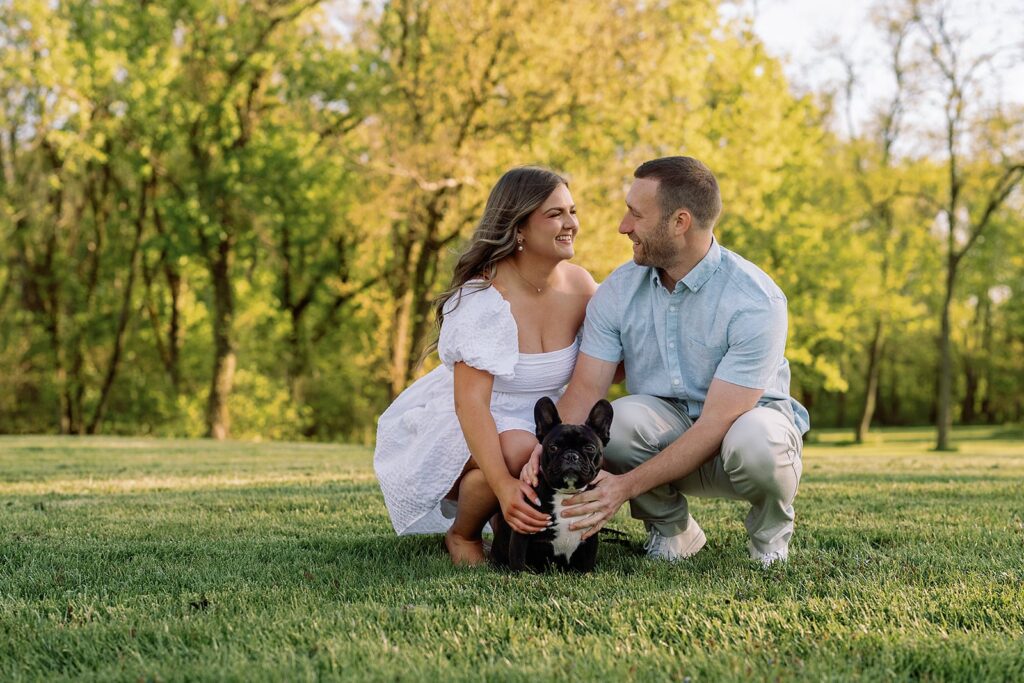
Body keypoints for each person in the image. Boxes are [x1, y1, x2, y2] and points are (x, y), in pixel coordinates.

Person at [522, 156, 809, 567]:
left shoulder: (756, 300)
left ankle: (769, 539)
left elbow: (717, 423)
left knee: (758, 441)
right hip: (667, 430)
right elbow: (586, 389)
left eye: (635, 214)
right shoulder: (619, 289)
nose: (623, 226)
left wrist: (623, 487)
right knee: (614, 424)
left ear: (680, 221)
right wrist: (541, 449)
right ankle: (674, 532)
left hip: (741, 435)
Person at [374, 166, 598, 566]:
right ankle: (464, 534)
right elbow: (471, 405)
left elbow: (602, 368)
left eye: (572, 211)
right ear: (518, 230)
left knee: (569, 447)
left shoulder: (581, 285)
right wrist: (504, 485)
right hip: (471, 419)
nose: (571, 224)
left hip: (543, 420)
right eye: (554, 214)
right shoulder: (483, 298)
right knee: (521, 450)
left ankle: (512, 523)